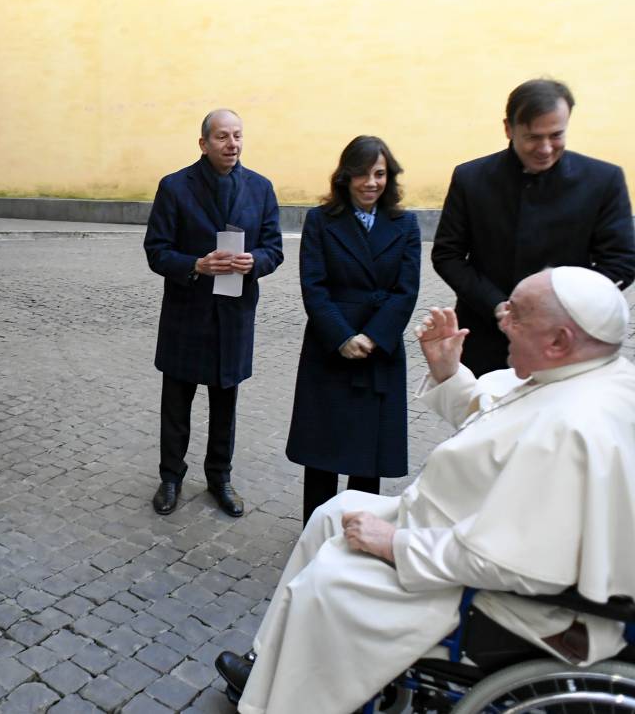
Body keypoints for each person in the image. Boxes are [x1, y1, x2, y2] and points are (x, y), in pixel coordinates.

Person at [215, 266, 635, 714]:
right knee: (332, 511)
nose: (502, 319)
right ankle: (270, 667)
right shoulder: (584, 373)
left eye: (517, 314)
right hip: (462, 530)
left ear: (559, 341)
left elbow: (512, 563)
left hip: (507, 598)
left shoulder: (578, 425)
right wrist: (448, 372)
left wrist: (395, 543)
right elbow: (501, 426)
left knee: (329, 582)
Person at [432, 77, 635, 376]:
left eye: (556, 135)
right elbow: (447, 255)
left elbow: (622, 261)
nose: (545, 148)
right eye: (532, 137)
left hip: (567, 342)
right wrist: (496, 305)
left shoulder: (603, 180)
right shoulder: (470, 179)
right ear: (508, 128)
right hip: (486, 339)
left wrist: (564, 310)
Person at [144, 108, 284, 517]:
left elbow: (275, 248)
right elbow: (156, 250)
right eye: (222, 137)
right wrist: (196, 265)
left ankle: (219, 477)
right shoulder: (175, 187)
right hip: (187, 312)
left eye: (238, 136)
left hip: (234, 314)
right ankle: (171, 477)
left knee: (226, 403)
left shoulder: (260, 188)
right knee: (176, 402)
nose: (232, 144)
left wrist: (254, 261)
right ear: (203, 144)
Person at [286, 136, 421, 524]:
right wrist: (343, 336)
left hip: (379, 355)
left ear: (389, 177)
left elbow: (406, 290)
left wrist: (375, 336)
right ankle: (315, 533)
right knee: (322, 455)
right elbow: (314, 286)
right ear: (345, 177)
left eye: (379, 173)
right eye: (361, 174)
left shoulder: (406, 224)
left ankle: (358, 534)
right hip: (331, 350)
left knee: (367, 458)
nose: (370, 183)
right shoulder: (320, 221)